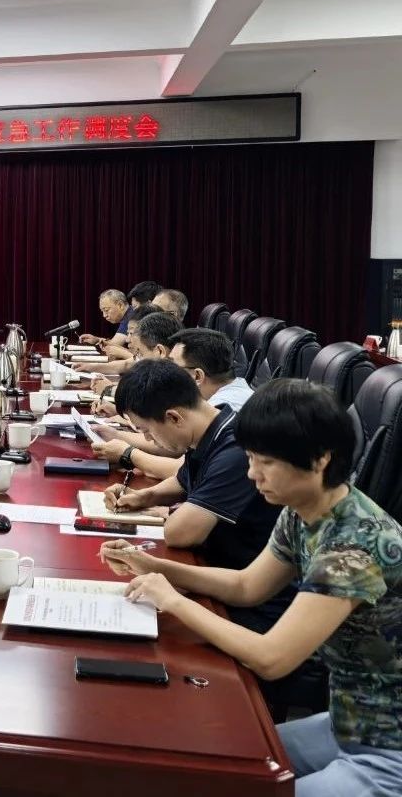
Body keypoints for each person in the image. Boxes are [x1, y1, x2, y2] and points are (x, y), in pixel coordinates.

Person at [101, 380, 402, 796]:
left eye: (266, 462)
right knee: (214, 766)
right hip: (349, 722)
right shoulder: (304, 511)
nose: (252, 474)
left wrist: (173, 601)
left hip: (389, 749)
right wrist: (157, 567)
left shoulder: (352, 547)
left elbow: (271, 659)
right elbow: (246, 586)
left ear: (320, 459)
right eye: (250, 459)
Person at [101, 360, 293, 634]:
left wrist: (159, 561)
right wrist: (144, 496)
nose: (149, 440)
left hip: (254, 608)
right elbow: (183, 480)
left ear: (174, 418)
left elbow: (179, 534)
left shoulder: (236, 449)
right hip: (226, 579)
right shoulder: (213, 427)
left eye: (146, 430)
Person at [90, 312, 185, 479]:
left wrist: (127, 451)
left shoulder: (179, 385)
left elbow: (174, 452)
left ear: (160, 351)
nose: (136, 360)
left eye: (140, 353)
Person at [170, 328, 253, 411]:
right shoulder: (240, 388)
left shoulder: (219, 411)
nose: (168, 373)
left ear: (197, 376)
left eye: (172, 368)